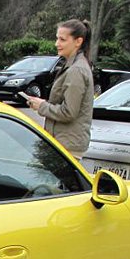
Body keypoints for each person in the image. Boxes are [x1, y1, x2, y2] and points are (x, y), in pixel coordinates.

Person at [22, 19, 94, 160]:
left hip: (68, 146)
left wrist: (42, 106)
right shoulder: (71, 66)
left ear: (78, 42)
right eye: (57, 39)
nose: (57, 44)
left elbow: (69, 112)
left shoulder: (76, 70)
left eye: (62, 40)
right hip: (62, 143)